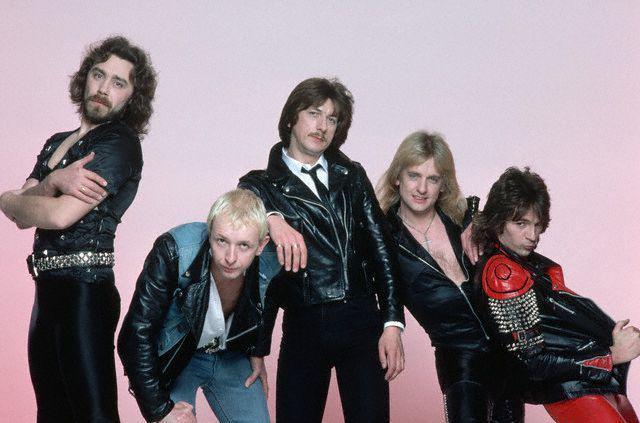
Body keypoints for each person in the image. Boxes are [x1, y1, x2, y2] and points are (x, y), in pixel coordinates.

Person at [0, 36, 156, 422]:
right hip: (46, 295)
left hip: (85, 293)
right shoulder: (56, 143)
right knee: (51, 415)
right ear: (85, 78)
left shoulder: (118, 143)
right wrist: (54, 181)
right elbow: (17, 211)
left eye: (118, 82)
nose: (104, 88)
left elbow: (57, 216)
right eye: (98, 75)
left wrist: (25, 197)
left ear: (132, 97)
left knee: (94, 416)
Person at [239, 77, 404, 422]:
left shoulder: (352, 176)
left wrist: (392, 323)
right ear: (291, 118)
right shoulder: (260, 185)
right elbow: (243, 228)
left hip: (360, 318)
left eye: (332, 119)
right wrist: (271, 217)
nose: (322, 126)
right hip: (304, 323)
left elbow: (382, 250)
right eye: (314, 113)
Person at [376, 131, 523, 422]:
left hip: (506, 356)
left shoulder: (461, 220)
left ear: (443, 185)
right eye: (414, 176)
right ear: (397, 178)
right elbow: (378, 289)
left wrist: (476, 220)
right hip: (460, 360)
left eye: (432, 179)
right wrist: (390, 327)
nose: (422, 188)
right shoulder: (384, 240)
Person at [473, 167, 640, 423]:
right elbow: (531, 363)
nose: (532, 236)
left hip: (589, 379)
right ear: (498, 222)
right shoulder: (503, 274)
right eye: (521, 224)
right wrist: (610, 356)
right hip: (572, 386)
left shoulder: (522, 262)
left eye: (537, 224)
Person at [118, 189, 278, 423]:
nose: (231, 257)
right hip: (179, 355)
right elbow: (135, 335)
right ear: (209, 231)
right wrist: (160, 410)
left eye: (244, 245)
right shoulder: (175, 250)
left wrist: (257, 350)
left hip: (230, 355)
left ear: (261, 245)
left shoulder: (273, 261)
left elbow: (269, 301)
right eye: (221, 241)